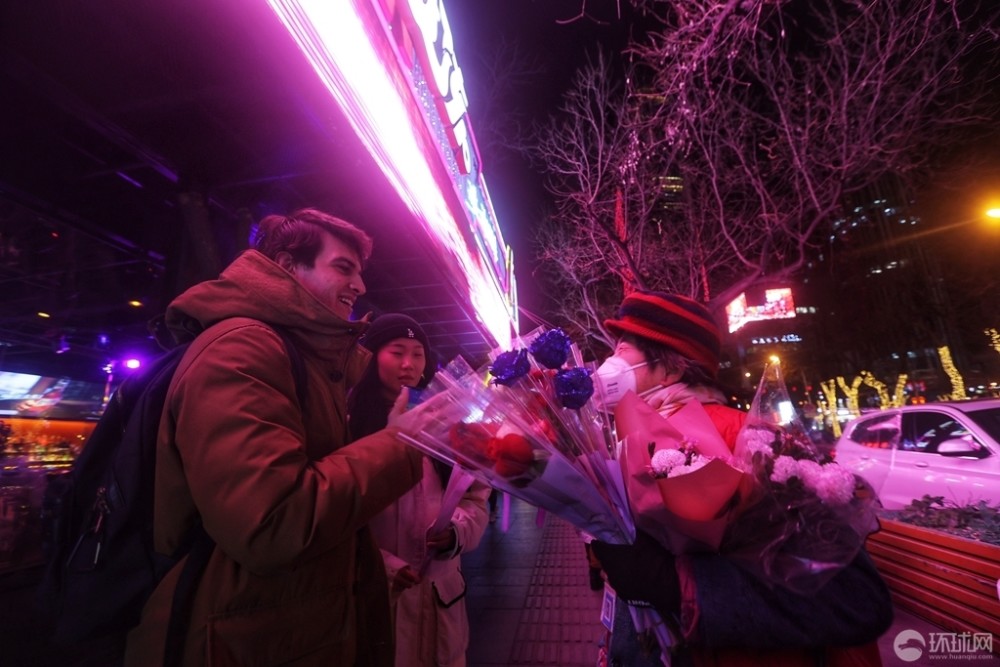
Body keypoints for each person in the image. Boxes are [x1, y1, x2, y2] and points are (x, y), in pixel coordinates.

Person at [125, 208, 428, 666]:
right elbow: (272, 523)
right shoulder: (242, 350)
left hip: (280, 629)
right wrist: (400, 443)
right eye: (343, 268)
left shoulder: (303, 361)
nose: (361, 287)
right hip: (237, 637)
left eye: (360, 273)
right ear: (287, 267)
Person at [590, 291, 893, 667]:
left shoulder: (757, 444)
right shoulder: (628, 444)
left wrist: (676, 584)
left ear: (671, 367)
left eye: (621, 351)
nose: (606, 365)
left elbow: (857, 600)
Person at [347, 313, 490, 667]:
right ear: (369, 355)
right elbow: (336, 515)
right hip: (380, 603)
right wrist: (385, 568)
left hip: (444, 613)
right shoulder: (346, 424)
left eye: (418, 353)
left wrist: (457, 530)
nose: (408, 364)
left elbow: (475, 497)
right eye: (397, 352)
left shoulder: (445, 425)